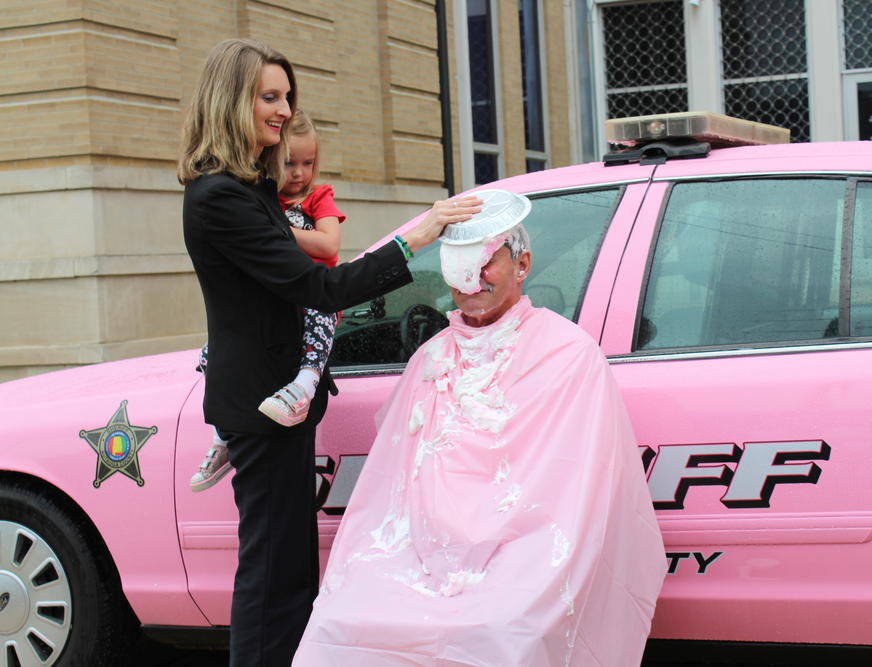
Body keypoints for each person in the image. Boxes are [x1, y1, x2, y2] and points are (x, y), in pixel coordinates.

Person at [178, 38, 480, 667]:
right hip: (261, 405)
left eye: (287, 96)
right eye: (270, 96)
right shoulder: (219, 198)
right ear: (232, 101)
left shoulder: (252, 189)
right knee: (271, 574)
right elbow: (318, 287)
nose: (285, 109)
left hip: (278, 402)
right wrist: (418, 236)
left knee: (289, 569)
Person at [293, 222, 666, 666]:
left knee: (505, 629)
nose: (472, 277)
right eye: (459, 264)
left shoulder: (567, 354)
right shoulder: (431, 358)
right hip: (415, 552)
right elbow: (391, 491)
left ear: (522, 264)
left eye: (486, 261)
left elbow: (574, 497)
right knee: (340, 617)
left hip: (524, 551)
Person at [189, 108, 347, 492]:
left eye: (308, 163)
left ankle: (304, 387)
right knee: (213, 354)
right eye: (290, 163)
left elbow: (328, 244)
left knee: (318, 325)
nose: (299, 173)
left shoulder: (317, 198)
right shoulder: (260, 200)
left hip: (313, 296)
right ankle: (222, 438)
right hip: (271, 307)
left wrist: (274, 231)